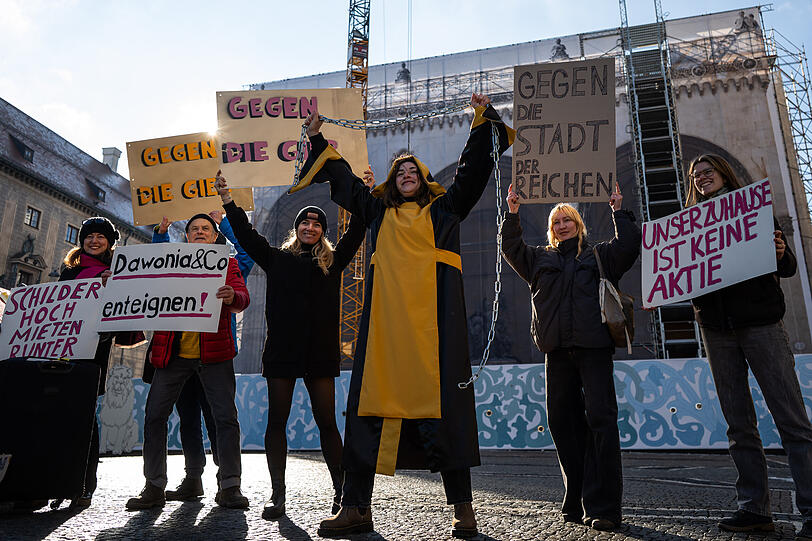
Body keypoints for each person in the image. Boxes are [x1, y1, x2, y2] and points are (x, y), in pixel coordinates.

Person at [292, 93, 514, 539]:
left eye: (414, 171)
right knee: (366, 414)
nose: (408, 176)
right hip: (385, 336)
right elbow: (346, 180)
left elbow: (471, 173)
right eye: (401, 173)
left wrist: (481, 120)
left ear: (424, 180)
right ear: (393, 182)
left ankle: (463, 509)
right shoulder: (377, 211)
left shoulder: (445, 210)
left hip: (437, 336)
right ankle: (355, 508)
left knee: (448, 416)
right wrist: (317, 135)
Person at [214, 172, 367, 520]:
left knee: (328, 422)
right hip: (282, 350)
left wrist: (363, 194)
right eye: (305, 222)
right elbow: (245, 233)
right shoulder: (275, 258)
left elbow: (357, 229)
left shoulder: (333, 261)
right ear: (297, 228)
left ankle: (341, 493)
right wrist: (227, 199)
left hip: (320, 352)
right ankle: (278, 495)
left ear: (322, 232)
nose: (310, 227)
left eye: (317, 223)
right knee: (277, 422)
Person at [685, 154, 812, 539]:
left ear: (723, 173)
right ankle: (754, 508)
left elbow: (786, 265)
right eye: (695, 176)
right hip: (717, 329)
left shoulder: (752, 209)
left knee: (792, 420)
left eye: (707, 172)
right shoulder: (688, 224)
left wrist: (780, 254)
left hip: (760, 324)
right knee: (739, 424)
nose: (702, 178)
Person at [501, 184, 641, 531]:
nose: (563, 225)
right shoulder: (538, 259)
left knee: (601, 423)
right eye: (557, 221)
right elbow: (511, 247)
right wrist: (513, 214)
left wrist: (618, 211)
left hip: (594, 350)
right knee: (563, 425)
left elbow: (629, 246)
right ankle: (576, 499)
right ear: (551, 229)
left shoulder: (598, 255)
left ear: (579, 225)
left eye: (568, 220)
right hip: (557, 353)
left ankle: (605, 507)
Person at [125, 213, 250, 510]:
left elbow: (243, 297)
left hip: (214, 355)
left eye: (206, 228)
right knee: (156, 416)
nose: (199, 232)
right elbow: (151, 265)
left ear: (214, 235)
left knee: (225, 420)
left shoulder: (228, 263)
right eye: (194, 228)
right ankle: (154, 485)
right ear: (187, 234)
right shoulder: (172, 262)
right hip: (173, 355)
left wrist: (233, 295)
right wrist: (119, 280)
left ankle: (230, 485)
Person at [58, 216, 145, 508]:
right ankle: (56, 480)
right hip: (60, 351)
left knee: (85, 419)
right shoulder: (69, 270)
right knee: (59, 415)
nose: (94, 241)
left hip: (93, 352)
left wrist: (111, 286)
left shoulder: (115, 272)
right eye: (89, 236)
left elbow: (121, 316)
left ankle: (84, 484)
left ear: (109, 243)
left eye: (100, 237)